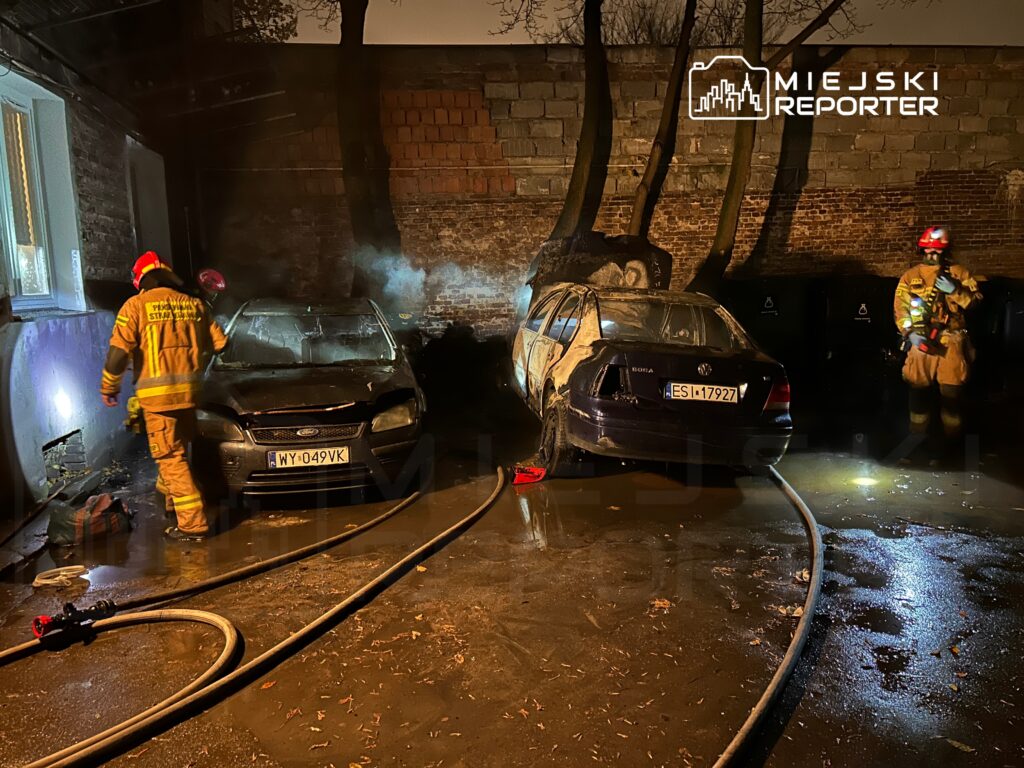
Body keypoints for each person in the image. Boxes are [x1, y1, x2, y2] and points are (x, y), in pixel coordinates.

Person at [99, 252, 227, 540]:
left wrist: (109, 386)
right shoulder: (194, 304)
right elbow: (220, 343)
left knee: (170, 458)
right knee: (178, 451)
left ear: (141, 280)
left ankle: (193, 525)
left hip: (159, 401)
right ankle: (172, 503)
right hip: (190, 397)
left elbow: (118, 353)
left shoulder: (136, 306)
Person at [893, 226, 981, 453]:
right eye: (928, 249)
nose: (933, 253)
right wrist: (910, 333)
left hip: (952, 340)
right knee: (918, 395)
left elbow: (976, 303)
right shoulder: (910, 276)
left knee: (951, 397)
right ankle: (916, 442)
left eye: (938, 250)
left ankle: (952, 446)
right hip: (921, 343)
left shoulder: (959, 273)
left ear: (946, 250)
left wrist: (955, 290)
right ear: (922, 249)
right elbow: (900, 309)